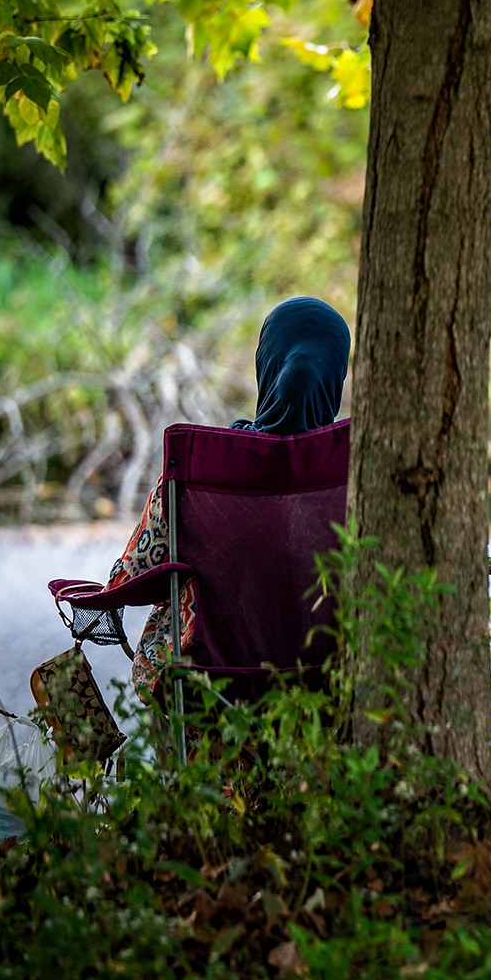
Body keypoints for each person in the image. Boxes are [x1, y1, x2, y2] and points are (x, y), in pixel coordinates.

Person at [119, 296, 351, 702]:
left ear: (267, 363)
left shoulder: (202, 470)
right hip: (330, 694)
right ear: (337, 373)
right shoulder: (362, 472)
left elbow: (131, 578)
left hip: (210, 698)